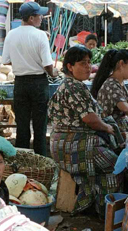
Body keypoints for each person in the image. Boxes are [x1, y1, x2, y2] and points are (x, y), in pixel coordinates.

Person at [48, 46, 121, 214]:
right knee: (115, 165)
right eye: (82, 63)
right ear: (70, 67)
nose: (88, 67)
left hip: (70, 141)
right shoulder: (73, 87)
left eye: (89, 62)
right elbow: (90, 120)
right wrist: (107, 127)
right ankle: (106, 211)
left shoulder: (75, 85)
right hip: (70, 145)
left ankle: (94, 204)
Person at [2, 2, 58, 156]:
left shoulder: (11, 34)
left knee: (22, 124)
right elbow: (48, 65)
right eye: (39, 15)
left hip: (20, 83)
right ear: (32, 18)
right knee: (40, 126)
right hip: (38, 83)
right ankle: (41, 159)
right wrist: (54, 73)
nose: (42, 18)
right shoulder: (40, 35)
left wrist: (22, 61)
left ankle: (21, 159)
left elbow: (6, 60)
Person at [91, 49, 128, 134]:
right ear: (121, 64)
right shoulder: (111, 84)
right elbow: (125, 108)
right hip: (112, 129)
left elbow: (124, 113)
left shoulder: (119, 83)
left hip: (120, 125)